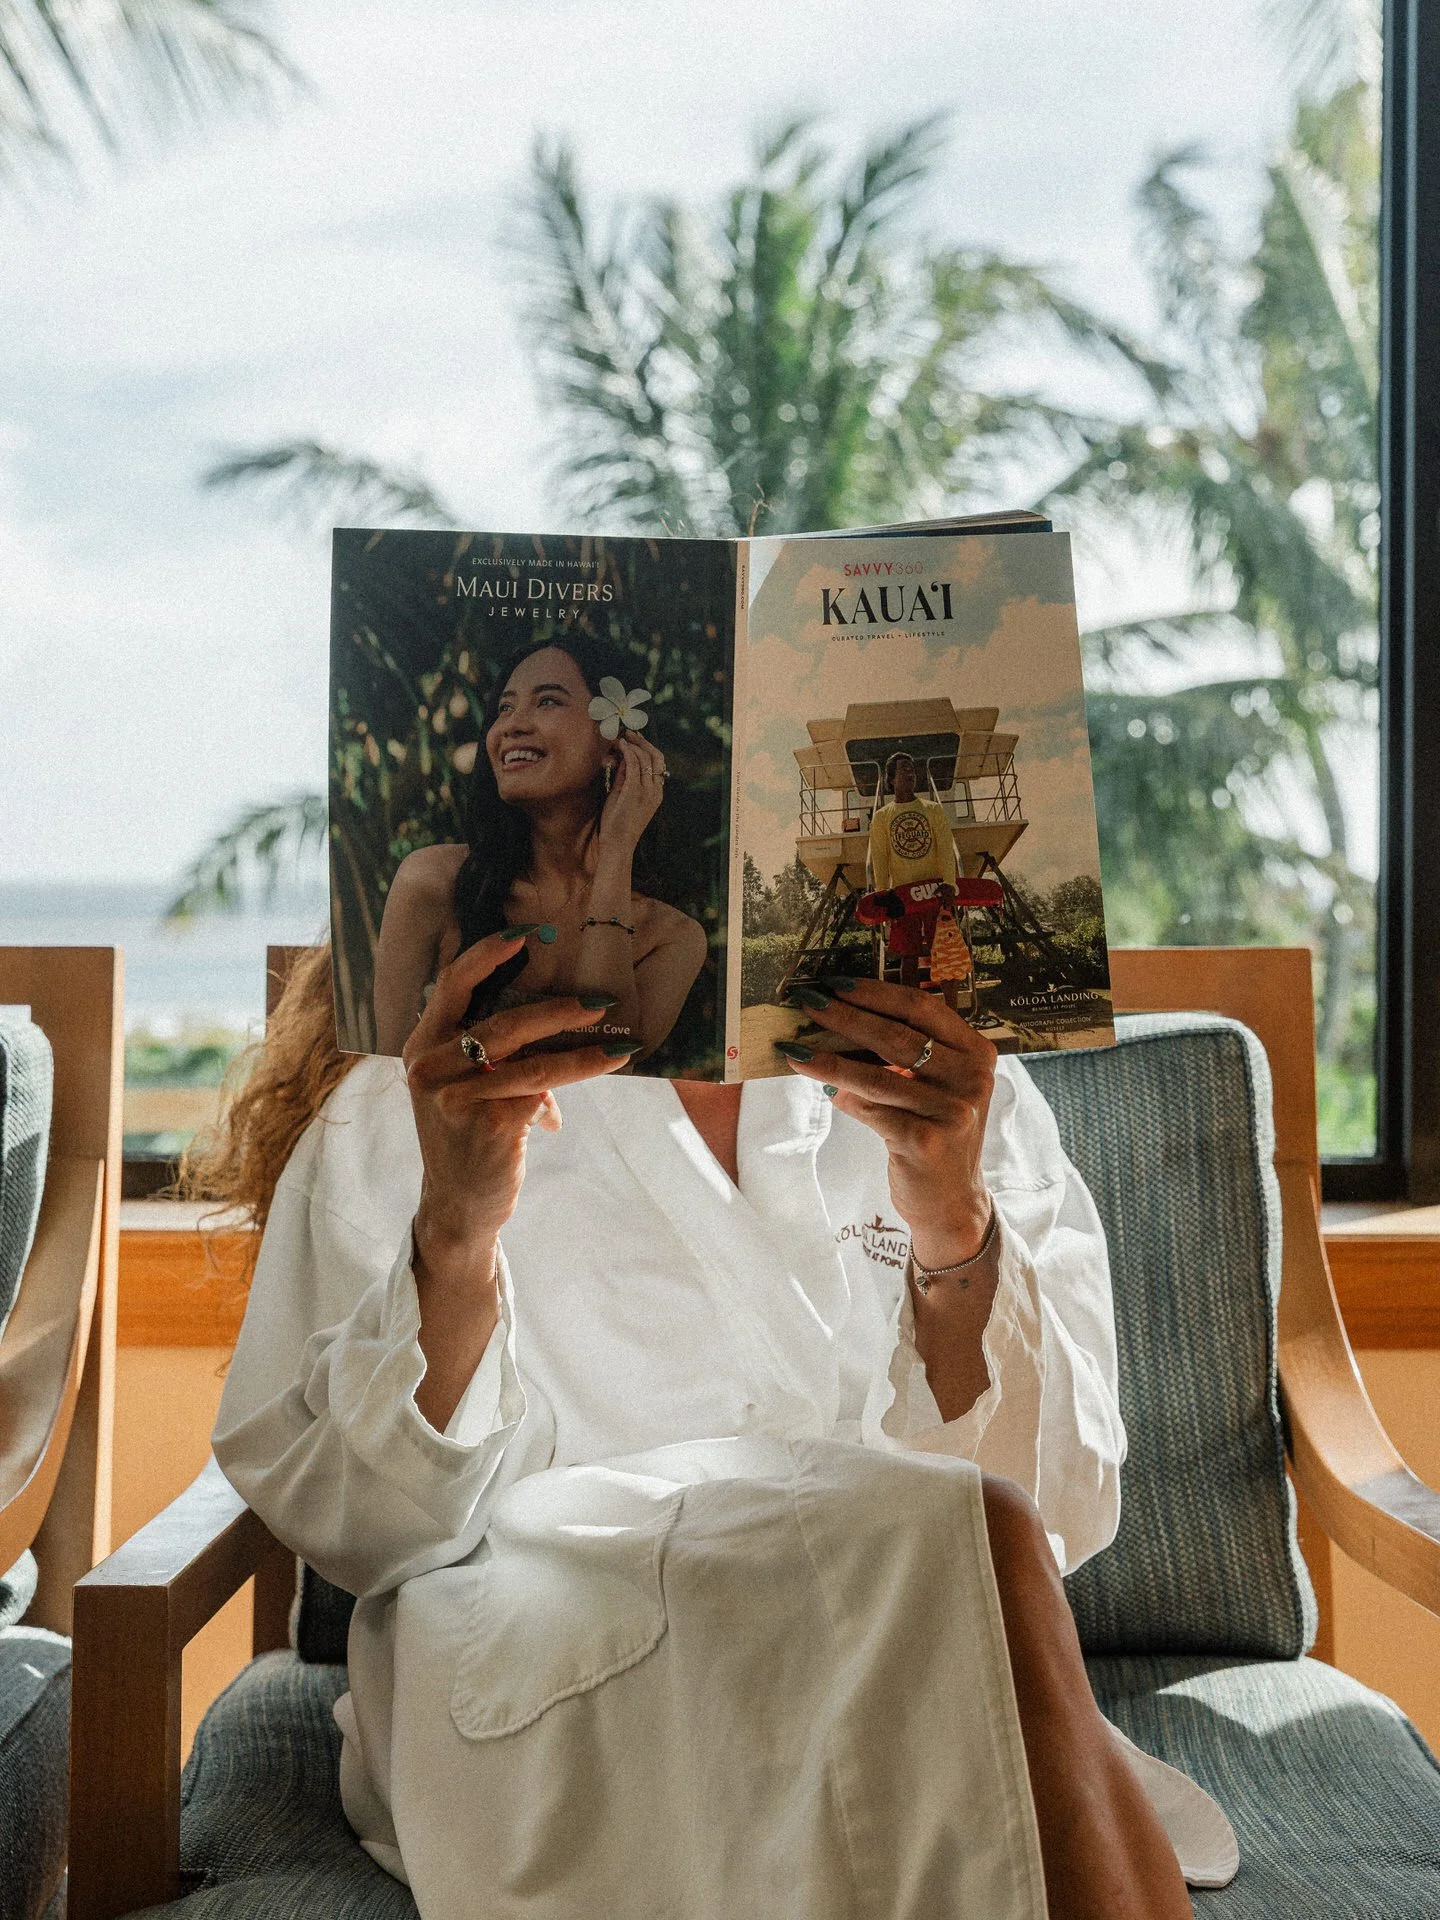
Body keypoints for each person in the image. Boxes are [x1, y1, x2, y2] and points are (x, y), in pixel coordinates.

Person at [202, 941, 1234, 1920]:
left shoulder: (953, 1078)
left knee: (984, 1540)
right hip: (555, 1653)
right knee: (980, 1544)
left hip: (901, 1641)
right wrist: (455, 1233)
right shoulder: (417, 1092)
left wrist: (954, 1222)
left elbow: (1060, 1506)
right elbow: (368, 1529)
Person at [370, 635, 709, 1059]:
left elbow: (602, 1059)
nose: (511, 726)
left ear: (616, 742)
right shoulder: (432, 883)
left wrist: (616, 852)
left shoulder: (673, 938)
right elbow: (387, 1070)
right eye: (504, 708)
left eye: (547, 701)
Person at [866, 751, 960, 1001]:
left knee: (946, 953)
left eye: (912, 770)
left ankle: (953, 1016)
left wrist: (949, 883)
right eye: (903, 770)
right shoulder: (881, 817)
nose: (910, 774)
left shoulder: (933, 809)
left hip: (935, 893)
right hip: (902, 896)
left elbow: (945, 848)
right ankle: (913, 1015)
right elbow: (880, 858)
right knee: (908, 956)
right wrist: (883, 893)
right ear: (891, 780)